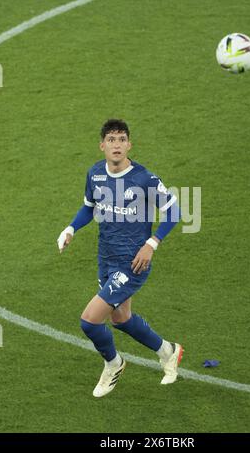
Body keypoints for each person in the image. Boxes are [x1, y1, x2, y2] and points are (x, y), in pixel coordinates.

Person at [57, 119, 183, 398]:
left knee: (89, 321)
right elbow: (89, 207)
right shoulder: (95, 174)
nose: (117, 144)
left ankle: (114, 364)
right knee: (121, 318)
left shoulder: (144, 178)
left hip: (133, 263)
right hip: (107, 259)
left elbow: (174, 211)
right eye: (111, 139)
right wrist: (70, 229)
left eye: (122, 139)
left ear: (129, 145)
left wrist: (151, 244)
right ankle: (169, 351)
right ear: (102, 145)